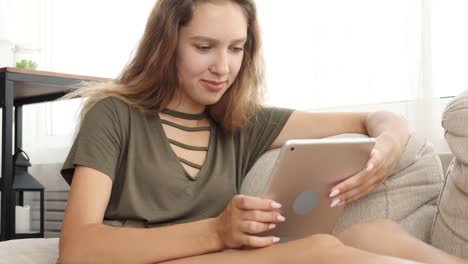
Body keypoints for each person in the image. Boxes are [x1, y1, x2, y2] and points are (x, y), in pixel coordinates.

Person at [57, 1, 467, 263]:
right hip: (150, 258)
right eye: (204, 47)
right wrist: (217, 230)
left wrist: (388, 147)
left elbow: (375, 119)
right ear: (167, 45)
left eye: (236, 48)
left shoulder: (240, 122)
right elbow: (78, 249)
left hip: (221, 253)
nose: (223, 67)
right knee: (321, 251)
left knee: (373, 232)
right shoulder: (112, 114)